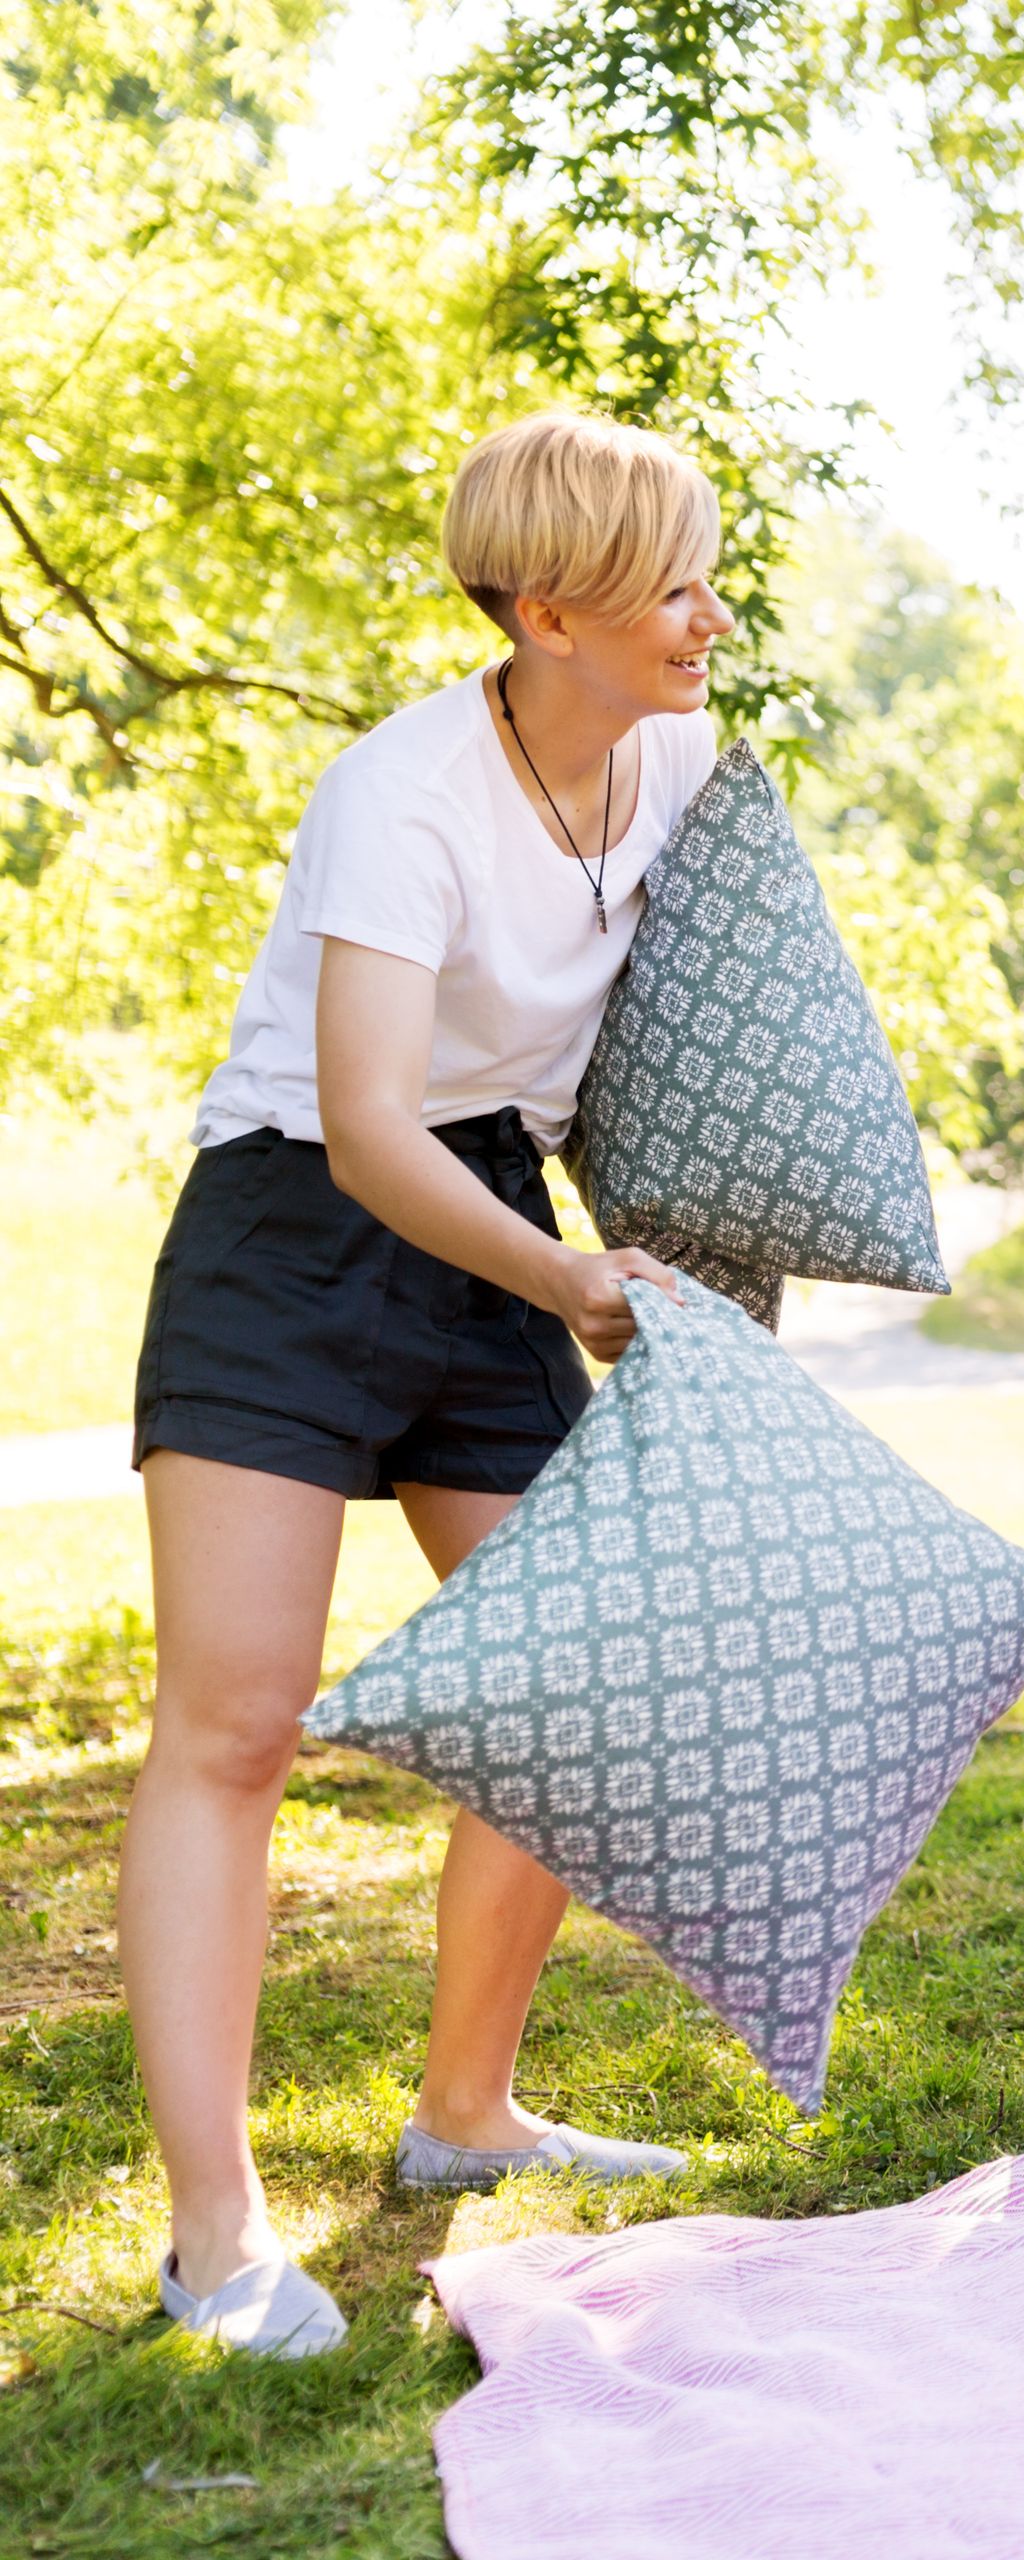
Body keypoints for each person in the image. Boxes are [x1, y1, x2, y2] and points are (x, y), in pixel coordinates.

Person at [120, 413, 727, 2357]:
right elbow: (373, 1125)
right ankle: (215, 2236)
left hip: (495, 1219)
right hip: (295, 1225)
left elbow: (686, 1039)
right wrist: (573, 1281)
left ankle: (463, 2111)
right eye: (673, 585)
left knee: (572, 1679)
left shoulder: (684, 755)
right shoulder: (398, 796)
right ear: (550, 612)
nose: (710, 613)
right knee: (234, 1716)